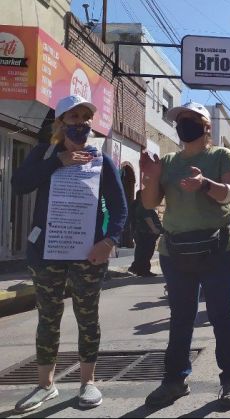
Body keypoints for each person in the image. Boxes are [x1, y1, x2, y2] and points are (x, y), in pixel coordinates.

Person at [11, 95, 127, 413]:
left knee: (87, 317)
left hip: (87, 254)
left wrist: (109, 241)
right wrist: (57, 161)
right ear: (61, 123)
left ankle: (88, 382)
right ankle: (45, 385)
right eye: (73, 117)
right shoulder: (44, 152)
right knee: (48, 319)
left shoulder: (102, 160)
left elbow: (119, 206)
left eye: (85, 117)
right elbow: (19, 184)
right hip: (47, 253)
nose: (81, 123)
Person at [140, 101, 230, 408]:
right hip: (176, 252)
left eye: (191, 119)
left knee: (222, 316)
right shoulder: (170, 161)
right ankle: (174, 381)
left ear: (206, 127)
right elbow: (149, 203)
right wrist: (149, 175)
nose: (184, 124)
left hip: (219, 249)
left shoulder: (220, 155)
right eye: (180, 120)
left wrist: (204, 184)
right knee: (181, 318)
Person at [128, 190, 163, 277]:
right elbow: (147, 217)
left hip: (143, 233)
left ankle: (137, 268)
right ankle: (143, 271)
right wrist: (154, 229)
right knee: (146, 252)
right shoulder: (143, 205)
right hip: (146, 233)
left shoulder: (140, 204)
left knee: (142, 252)